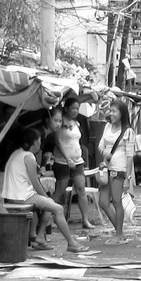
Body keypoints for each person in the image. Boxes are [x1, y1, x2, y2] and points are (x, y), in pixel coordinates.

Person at [0, 127, 88, 253]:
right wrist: (45, 197)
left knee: (48, 206)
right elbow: (35, 182)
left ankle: (39, 237)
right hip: (23, 197)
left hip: (13, 195)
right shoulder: (29, 156)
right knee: (57, 208)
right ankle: (72, 243)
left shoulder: (16, 153)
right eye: (39, 141)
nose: (40, 144)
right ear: (33, 143)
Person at [52, 97, 99, 233]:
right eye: (73, 108)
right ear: (66, 108)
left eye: (77, 109)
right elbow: (58, 142)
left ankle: (85, 220)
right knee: (60, 191)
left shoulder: (76, 123)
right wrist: (67, 159)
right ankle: (52, 218)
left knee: (81, 190)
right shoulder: (60, 122)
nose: (75, 111)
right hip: (62, 161)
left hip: (78, 161)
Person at [94, 99, 136, 244]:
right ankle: (120, 232)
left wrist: (128, 178)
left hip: (119, 170)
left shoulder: (128, 131)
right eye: (110, 110)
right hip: (106, 169)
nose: (111, 113)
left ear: (122, 113)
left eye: (114, 111)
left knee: (117, 201)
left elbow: (130, 155)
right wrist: (105, 153)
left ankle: (118, 234)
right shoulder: (107, 126)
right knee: (104, 202)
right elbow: (100, 145)